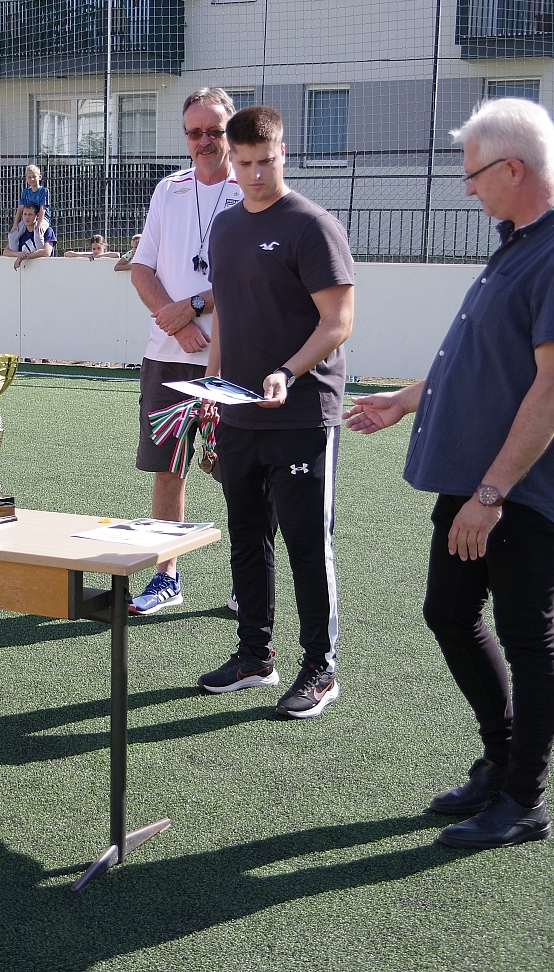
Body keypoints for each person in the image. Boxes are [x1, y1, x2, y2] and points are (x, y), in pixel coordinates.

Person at [345, 98, 554, 850]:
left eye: (473, 174)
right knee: (448, 611)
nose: (466, 188)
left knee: (526, 636)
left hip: (523, 487)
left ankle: (524, 799)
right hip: (477, 477)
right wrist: (405, 400)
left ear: (514, 168)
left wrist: (492, 494)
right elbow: (486, 362)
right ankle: (500, 762)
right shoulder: (521, 240)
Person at [195, 105, 355, 723]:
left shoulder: (312, 226)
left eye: (266, 161)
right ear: (229, 162)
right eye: (244, 163)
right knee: (246, 538)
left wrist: (287, 372)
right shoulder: (225, 227)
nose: (256, 174)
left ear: (283, 153)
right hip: (238, 414)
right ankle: (255, 657)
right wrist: (211, 390)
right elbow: (226, 317)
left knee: (307, 546)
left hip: (302, 415)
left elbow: (338, 322)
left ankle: (321, 668)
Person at [126, 87, 245, 614]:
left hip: (233, 357)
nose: (204, 141)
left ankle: (248, 580)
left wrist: (194, 306)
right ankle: (166, 576)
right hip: (168, 354)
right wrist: (177, 327)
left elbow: (253, 277)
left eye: (214, 131)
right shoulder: (168, 190)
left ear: (231, 132)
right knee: (168, 469)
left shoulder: (251, 190)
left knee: (240, 473)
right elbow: (141, 269)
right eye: (194, 132)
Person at [8, 204, 56, 270]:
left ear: (37, 216)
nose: (27, 217)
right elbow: (6, 251)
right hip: (26, 271)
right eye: (25, 214)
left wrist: (25, 256)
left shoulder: (47, 231)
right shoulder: (20, 233)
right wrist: (18, 254)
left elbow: (46, 252)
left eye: (30, 214)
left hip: (45, 269)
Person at [11, 163, 50, 233]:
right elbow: (20, 208)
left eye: (34, 176)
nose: (32, 179)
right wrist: (15, 224)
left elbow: (42, 208)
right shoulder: (25, 192)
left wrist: (39, 223)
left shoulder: (44, 191)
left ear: (40, 177)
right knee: (12, 235)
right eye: (29, 177)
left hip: (42, 218)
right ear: (26, 179)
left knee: (38, 233)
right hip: (28, 218)